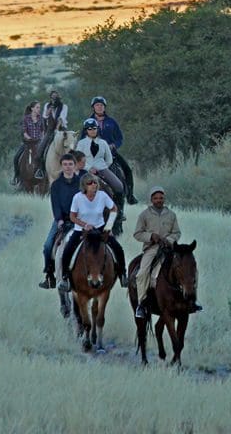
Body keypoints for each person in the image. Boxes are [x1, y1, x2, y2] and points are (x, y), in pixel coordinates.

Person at [131, 185, 197, 319]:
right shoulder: (144, 215)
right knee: (142, 273)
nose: (159, 200)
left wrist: (169, 240)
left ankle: (192, 300)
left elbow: (177, 232)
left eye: (161, 198)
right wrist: (151, 236)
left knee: (190, 269)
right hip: (152, 248)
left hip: (170, 248)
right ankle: (142, 304)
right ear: (151, 199)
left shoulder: (171, 215)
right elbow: (137, 234)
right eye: (156, 198)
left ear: (164, 198)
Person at [57, 174, 127, 291]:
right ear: (84, 186)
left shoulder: (102, 196)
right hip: (81, 230)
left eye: (95, 183)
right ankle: (65, 278)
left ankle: (123, 274)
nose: (93, 185)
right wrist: (84, 225)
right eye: (90, 183)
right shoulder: (77, 198)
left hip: (99, 228)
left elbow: (114, 209)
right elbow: (72, 217)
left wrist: (108, 226)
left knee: (118, 248)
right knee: (67, 250)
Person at [39, 153, 85, 288]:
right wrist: (59, 220)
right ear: (61, 166)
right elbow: (55, 204)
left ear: (75, 165)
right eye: (65, 164)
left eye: (70, 164)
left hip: (79, 220)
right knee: (47, 246)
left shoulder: (82, 183)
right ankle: (49, 275)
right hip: (62, 220)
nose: (68, 167)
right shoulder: (56, 185)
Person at [88, 96, 137, 205]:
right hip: (94, 156)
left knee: (127, 170)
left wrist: (114, 145)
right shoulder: (88, 122)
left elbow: (120, 138)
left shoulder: (112, 122)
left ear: (104, 107)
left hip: (111, 154)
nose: (99, 107)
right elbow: (82, 139)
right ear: (93, 107)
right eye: (97, 105)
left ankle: (130, 196)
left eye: (101, 105)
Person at [12, 101, 45, 187]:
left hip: (38, 142)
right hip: (28, 142)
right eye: (37, 107)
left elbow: (42, 130)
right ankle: (17, 176)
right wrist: (28, 137)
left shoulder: (41, 118)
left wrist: (41, 138)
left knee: (44, 156)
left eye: (39, 107)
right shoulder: (26, 118)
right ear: (32, 108)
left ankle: (42, 173)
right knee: (16, 157)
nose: (39, 109)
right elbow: (24, 131)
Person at [39, 89, 68, 163]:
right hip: (50, 129)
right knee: (42, 146)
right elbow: (45, 116)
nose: (54, 100)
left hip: (61, 128)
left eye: (55, 97)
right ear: (50, 98)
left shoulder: (64, 106)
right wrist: (50, 109)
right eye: (52, 98)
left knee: (70, 142)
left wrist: (57, 129)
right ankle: (40, 165)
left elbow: (61, 118)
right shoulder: (47, 105)